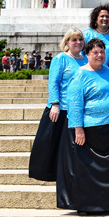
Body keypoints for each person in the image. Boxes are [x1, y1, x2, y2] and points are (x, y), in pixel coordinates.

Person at [57, 38, 109, 214]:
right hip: (90, 130)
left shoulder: (108, 71)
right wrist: (78, 129)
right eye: (94, 52)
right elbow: (74, 103)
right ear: (87, 54)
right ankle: (89, 205)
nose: (99, 55)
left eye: (102, 52)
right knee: (88, 170)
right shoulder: (80, 74)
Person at [29, 29, 87, 182]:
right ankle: (49, 172)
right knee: (52, 143)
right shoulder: (60, 58)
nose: (78, 42)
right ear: (67, 42)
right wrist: (55, 104)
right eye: (74, 40)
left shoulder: (86, 59)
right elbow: (53, 81)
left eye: (80, 39)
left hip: (77, 108)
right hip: (61, 108)